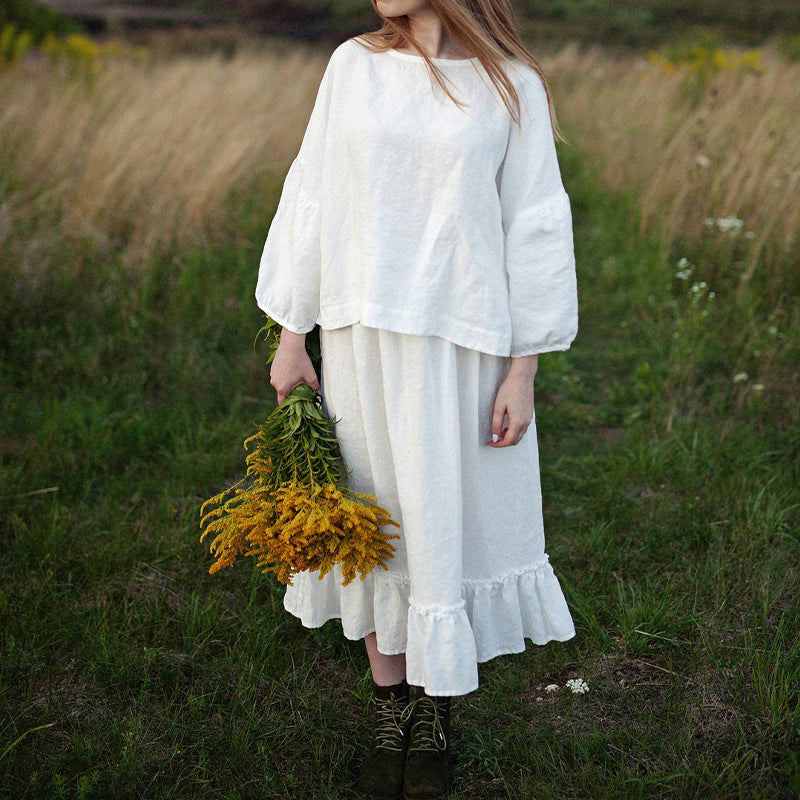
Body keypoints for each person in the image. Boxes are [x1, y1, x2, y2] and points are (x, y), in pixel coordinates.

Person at [256, 0, 579, 795]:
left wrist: (522, 369)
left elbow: (533, 222)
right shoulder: (353, 66)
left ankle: (436, 712)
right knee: (374, 515)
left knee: (442, 517)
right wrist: (292, 335)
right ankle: (388, 702)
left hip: (462, 338)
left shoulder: (512, 85)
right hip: (363, 332)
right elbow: (314, 196)